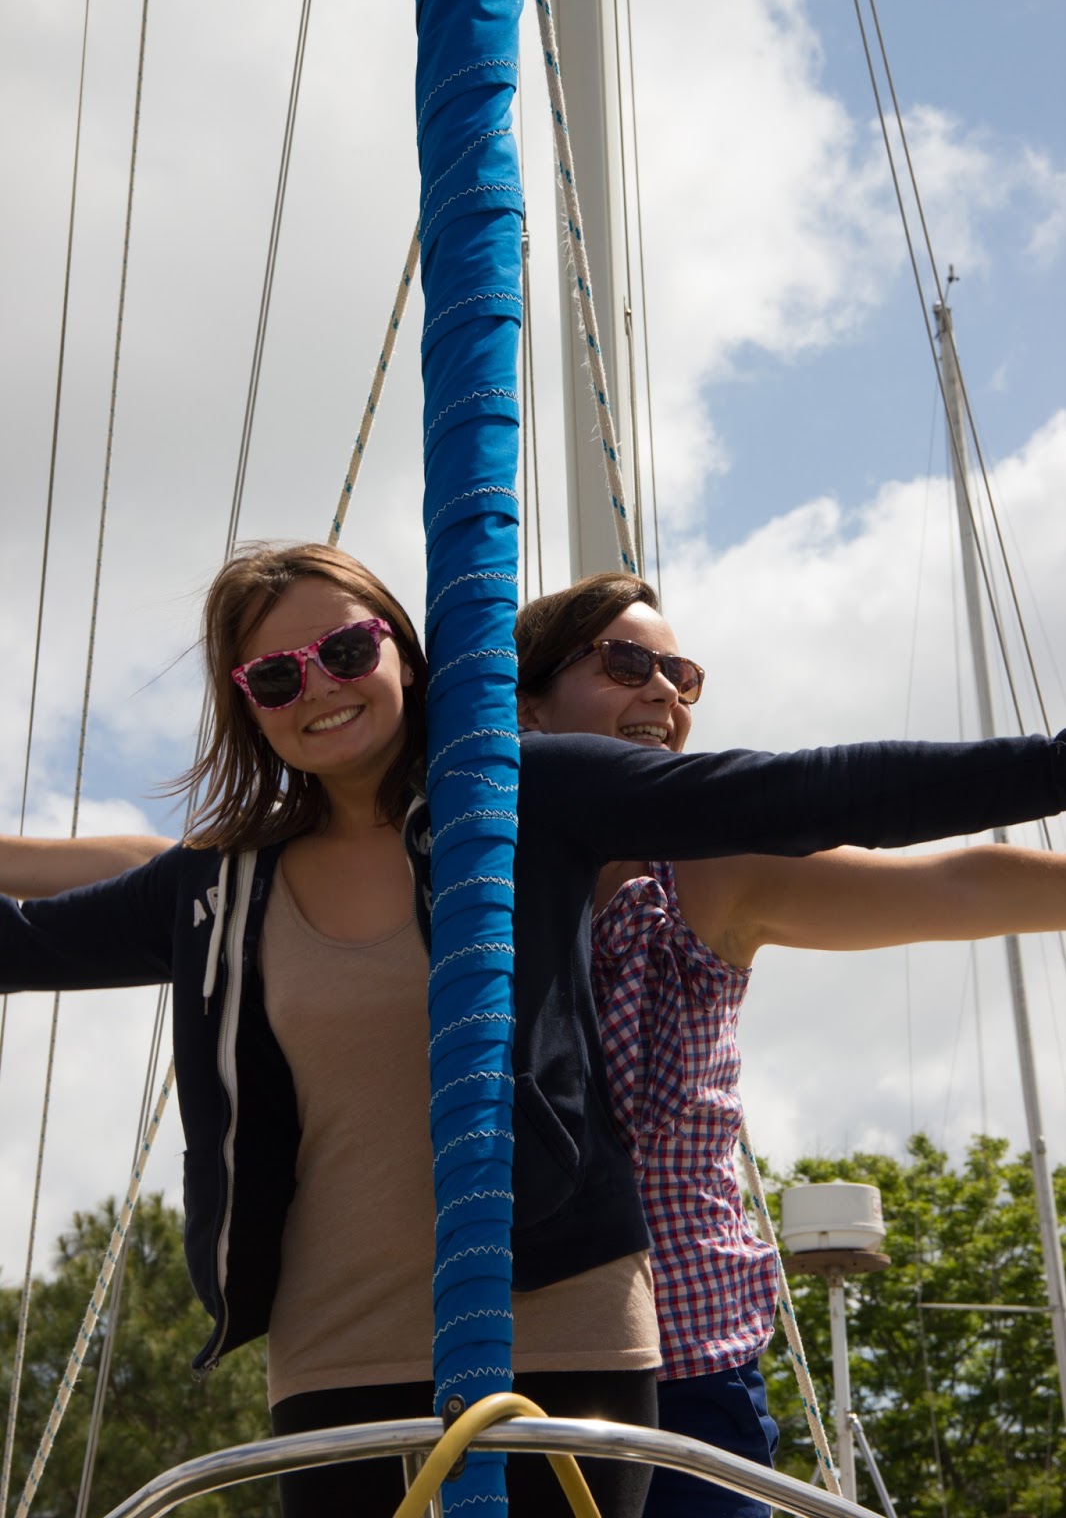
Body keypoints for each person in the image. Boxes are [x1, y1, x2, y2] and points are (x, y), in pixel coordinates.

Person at [4, 545, 1066, 1518]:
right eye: (276, 676)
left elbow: (801, 797)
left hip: (570, 1330)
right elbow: (47, 930)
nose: (318, 684)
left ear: (403, 653)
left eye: (346, 650)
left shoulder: (530, 802)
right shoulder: (221, 888)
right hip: (336, 1354)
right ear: (249, 704)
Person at [513, 570, 1066, 1518]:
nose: (664, 691)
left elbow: (952, 885)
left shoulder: (705, 878)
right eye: (626, 663)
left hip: (688, 1368)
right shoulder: (452, 888)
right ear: (525, 706)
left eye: (682, 675)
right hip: (507, 1358)